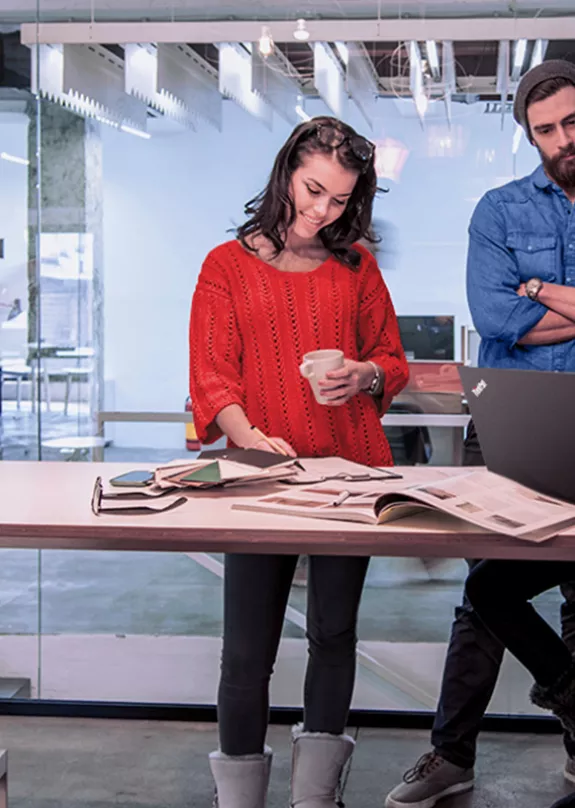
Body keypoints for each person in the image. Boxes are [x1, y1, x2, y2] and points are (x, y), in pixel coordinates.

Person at [189, 116, 409, 808]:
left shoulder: (356, 267)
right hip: (259, 480)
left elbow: (392, 363)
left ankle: (315, 798)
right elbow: (211, 377)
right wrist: (248, 434)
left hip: (349, 477)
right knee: (246, 652)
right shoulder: (225, 266)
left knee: (333, 635)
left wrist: (361, 377)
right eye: (313, 190)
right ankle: (240, 800)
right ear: (286, 171)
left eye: (339, 200)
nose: (321, 211)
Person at [385, 59, 575, 808]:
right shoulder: (498, 211)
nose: (562, 138)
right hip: (513, 424)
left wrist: (536, 291)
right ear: (529, 136)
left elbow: (517, 309)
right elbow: (494, 319)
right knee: (482, 594)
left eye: (571, 121)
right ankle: (450, 756)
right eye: (546, 129)